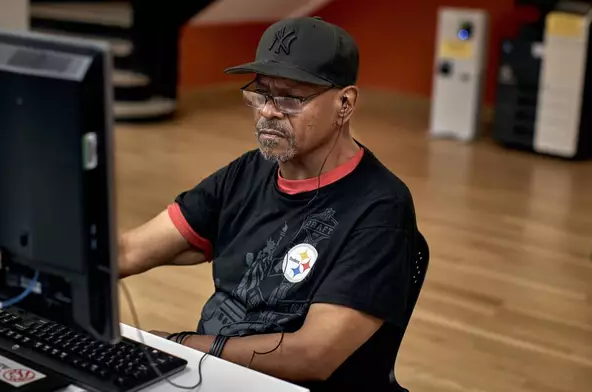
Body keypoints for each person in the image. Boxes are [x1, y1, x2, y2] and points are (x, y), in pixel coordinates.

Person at [119, 16, 419, 391]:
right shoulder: (247, 173)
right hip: (211, 375)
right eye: (261, 93)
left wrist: (180, 346)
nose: (268, 111)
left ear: (345, 103)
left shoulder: (380, 207)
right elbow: (129, 250)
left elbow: (313, 354)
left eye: (291, 98)